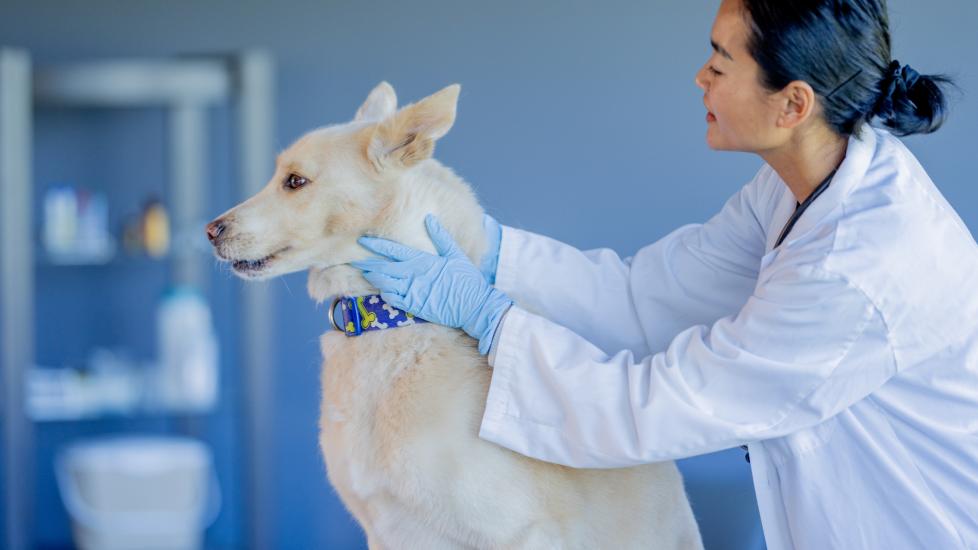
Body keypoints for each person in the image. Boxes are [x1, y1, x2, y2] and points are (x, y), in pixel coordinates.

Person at [351, 0, 978, 547]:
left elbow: (653, 408)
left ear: (793, 103)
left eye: (721, 61)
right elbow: (643, 297)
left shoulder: (854, 272)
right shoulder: (802, 184)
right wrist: (491, 251)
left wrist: (491, 320)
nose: (700, 76)